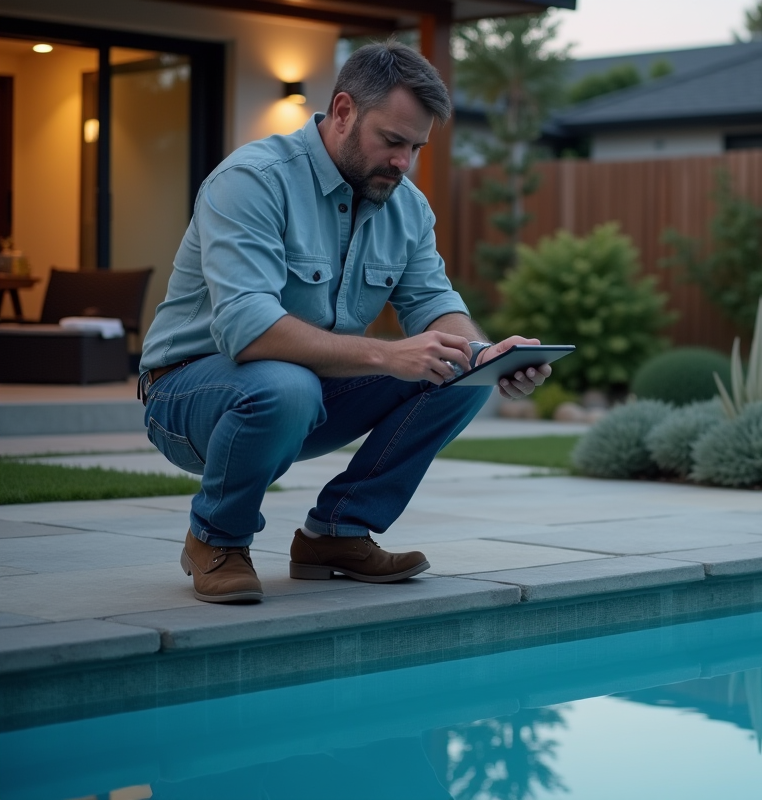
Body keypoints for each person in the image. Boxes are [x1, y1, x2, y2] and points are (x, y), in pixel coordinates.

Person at [137, 40, 548, 605]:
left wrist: (486, 356)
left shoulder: (407, 206)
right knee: (287, 384)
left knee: (458, 373)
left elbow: (434, 304)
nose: (404, 161)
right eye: (393, 140)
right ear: (345, 111)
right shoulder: (253, 180)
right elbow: (249, 329)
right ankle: (217, 537)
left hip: (304, 393)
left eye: (417, 147)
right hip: (189, 395)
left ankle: (337, 533)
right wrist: (387, 355)